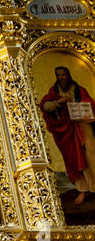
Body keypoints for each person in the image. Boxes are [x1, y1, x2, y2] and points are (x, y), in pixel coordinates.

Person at [39, 64, 95, 204]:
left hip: (83, 127)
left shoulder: (79, 90)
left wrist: (89, 113)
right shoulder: (54, 92)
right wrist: (59, 102)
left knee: (91, 154)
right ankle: (83, 190)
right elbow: (45, 105)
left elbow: (90, 104)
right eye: (59, 75)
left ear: (68, 75)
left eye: (63, 75)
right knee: (74, 161)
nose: (61, 78)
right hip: (66, 133)